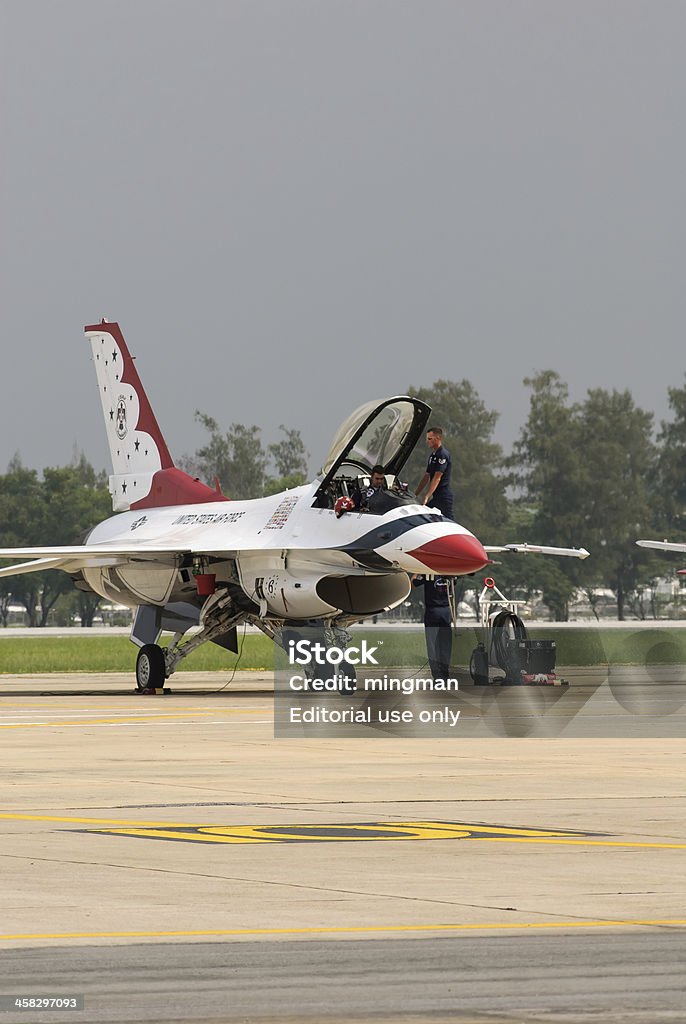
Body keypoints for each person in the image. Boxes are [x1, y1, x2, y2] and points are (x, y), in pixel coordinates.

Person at [412, 574, 453, 681]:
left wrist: (416, 572)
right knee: (445, 646)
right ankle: (445, 676)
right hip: (446, 612)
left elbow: (413, 584)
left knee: (433, 646)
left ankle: (437, 677)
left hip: (433, 612)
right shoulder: (449, 576)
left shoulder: (427, 575)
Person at [415, 426, 453, 520]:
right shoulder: (433, 455)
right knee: (424, 516)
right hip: (436, 496)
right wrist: (415, 494)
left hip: (443, 496)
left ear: (438, 438)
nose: (427, 441)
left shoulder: (442, 455)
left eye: (430, 439)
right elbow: (426, 476)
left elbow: (437, 477)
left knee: (450, 522)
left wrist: (427, 496)